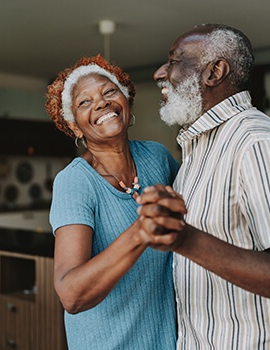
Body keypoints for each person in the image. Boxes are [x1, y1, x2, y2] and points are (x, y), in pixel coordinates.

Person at [137, 24, 270, 349]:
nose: (159, 73)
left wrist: (183, 238)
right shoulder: (197, 150)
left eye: (175, 60)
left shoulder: (256, 143)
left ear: (214, 72)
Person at [45, 54, 186, 349]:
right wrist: (141, 232)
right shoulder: (75, 182)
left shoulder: (157, 157)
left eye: (109, 92)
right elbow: (71, 295)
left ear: (127, 101)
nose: (100, 103)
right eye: (84, 102)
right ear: (74, 127)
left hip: (167, 341)